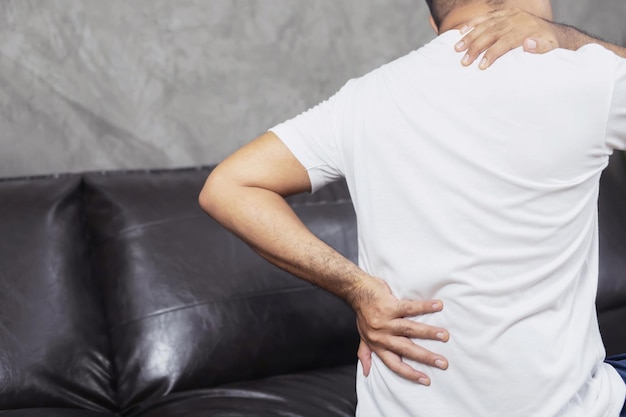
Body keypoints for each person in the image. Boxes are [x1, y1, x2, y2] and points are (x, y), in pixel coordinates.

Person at [199, 0, 626, 415]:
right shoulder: (589, 76)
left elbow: (227, 186)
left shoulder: (364, 98)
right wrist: (568, 38)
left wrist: (359, 290)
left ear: (434, 19)